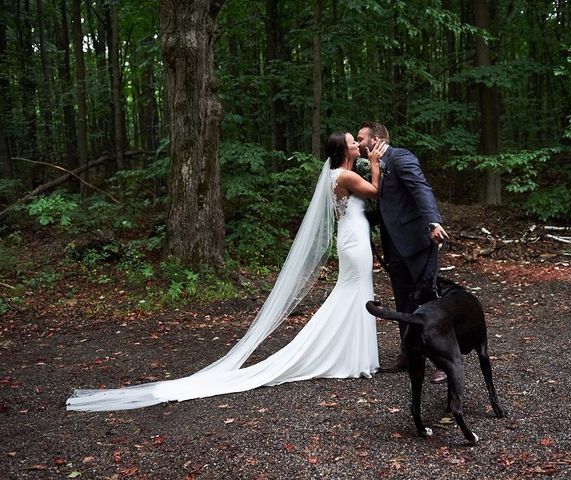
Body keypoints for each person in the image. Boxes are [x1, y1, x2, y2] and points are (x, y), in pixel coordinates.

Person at [66, 132, 388, 411]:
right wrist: (375, 162)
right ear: (345, 151)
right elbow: (374, 192)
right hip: (353, 241)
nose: (357, 146)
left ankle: (355, 356)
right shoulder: (344, 177)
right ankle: (349, 357)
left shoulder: (338, 174)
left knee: (356, 292)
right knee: (353, 291)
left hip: (353, 237)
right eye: (353, 143)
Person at [356, 122, 449, 383]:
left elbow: (421, 189)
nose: (359, 144)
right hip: (393, 246)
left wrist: (433, 222)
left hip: (417, 243)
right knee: (403, 301)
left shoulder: (401, 158)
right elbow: (386, 204)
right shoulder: (371, 165)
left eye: (362, 138)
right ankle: (409, 353)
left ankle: (442, 360)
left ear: (376, 139)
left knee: (429, 299)